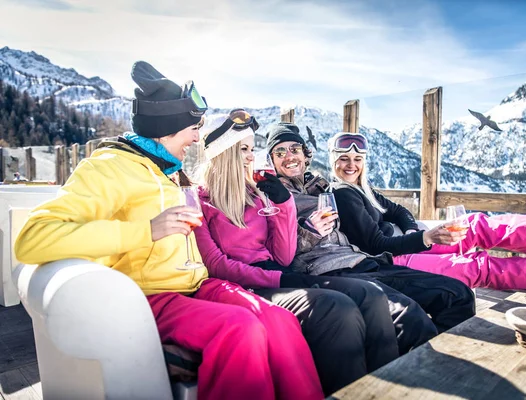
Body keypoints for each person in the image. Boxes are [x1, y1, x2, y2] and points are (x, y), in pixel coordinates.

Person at [14, 61, 323, 400]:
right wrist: (145, 230)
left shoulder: (167, 172)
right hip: (153, 295)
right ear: (166, 126)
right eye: (193, 127)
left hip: (199, 285)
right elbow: (34, 237)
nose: (196, 136)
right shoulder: (110, 167)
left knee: (280, 321)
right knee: (240, 329)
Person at [193, 111, 399, 396]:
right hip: (247, 285)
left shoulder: (256, 195)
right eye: (243, 149)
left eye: (252, 149)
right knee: (336, 308)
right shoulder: (199, 201)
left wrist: (284, 204)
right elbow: (216, 264)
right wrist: (278, 278)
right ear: (223, 152)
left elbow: (284, 255)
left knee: (371, 295)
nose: (252, 156)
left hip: (279, 273)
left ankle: (383, 389)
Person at [265, 122, 476, 352]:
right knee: (411, 319)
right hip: (330, 271)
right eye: (280, 152)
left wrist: (404, 229)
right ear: (271, 159)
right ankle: (423, 373)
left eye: (294, 149)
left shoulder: (322, 188)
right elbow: (280, 250)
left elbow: (390, 213)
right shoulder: (272, 196)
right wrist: (309, 229)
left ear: (306, 156)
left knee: (458, 294)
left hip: (363, 262)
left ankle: (446, 365)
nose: (289, 156)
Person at [326, 131, 526, 294]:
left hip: (408, 244)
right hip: (393, 260)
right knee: (478, 267)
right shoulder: (342, 194)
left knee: (473, 225)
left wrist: (413, 230)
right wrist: (424, 238)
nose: (352, 165)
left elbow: (398, 211)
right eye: (344, 159)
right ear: (333, 161)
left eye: (357, 159)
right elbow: (375, 246)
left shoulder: (362, 188)